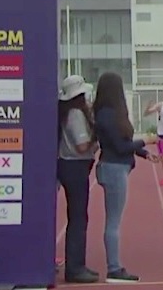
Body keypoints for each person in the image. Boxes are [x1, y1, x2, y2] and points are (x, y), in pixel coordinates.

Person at [93, 72, 159, 283]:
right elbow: (120, 146)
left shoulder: (112, 113)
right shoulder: (106, 114)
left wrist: (144, 153)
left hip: (117, 167)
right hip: (113, 168)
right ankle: (114, 268)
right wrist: (145, 141)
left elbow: (123, 142)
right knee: (113, 221)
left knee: (114, 220)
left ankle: (114, 266)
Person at [57, 75, 98, 284]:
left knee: (77, 216)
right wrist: (96, 141)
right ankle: (74, 268)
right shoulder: (75, 114)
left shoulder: (68, 112)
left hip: (70, 165)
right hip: (74, 165)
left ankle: (76, 265)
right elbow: (82, 146)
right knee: (78, 217)